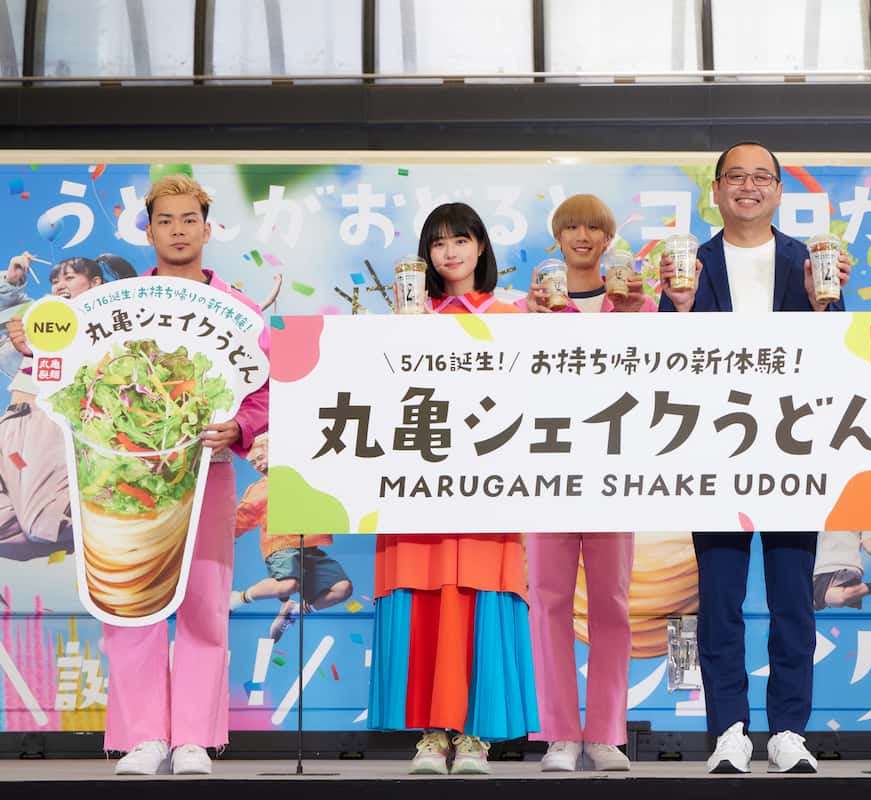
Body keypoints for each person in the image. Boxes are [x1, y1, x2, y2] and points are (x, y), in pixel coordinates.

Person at [658, 141, 850, 774]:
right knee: (720, 602)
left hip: (792, 451)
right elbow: (659, 362)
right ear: (715, 190)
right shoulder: (691, 264)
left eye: (761, 177)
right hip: (714, 450)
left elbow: (839, 357)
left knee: (794, 599)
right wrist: (677, 309)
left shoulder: (807, 261)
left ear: (778, 191)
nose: (748, 186)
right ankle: (729, 731)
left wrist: (826, 305)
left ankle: (789, 731)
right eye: (735, 177)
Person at [65, 175, 267, 776]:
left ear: (207, 228)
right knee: (131, 604)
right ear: (148, 231)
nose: (178, 231)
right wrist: (31, 337)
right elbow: (69, 361)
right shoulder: (118, 305)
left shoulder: (239, 309)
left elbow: (264, 390)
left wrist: (240, 427)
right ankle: (143, 737)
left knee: (205, 604)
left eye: (188, 219)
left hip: (207, 473)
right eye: (165, 220)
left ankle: (194, 739)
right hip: (127, 476)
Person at [369, 203, 539, 776]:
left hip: (487, 484)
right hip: (418, 485)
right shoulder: (406, 318)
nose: (450, 252)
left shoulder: (512, 317)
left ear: (481, 247)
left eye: (461, 240)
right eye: (438, 243)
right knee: (425, 599)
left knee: (479, 598)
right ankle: (429, 734)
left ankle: (474, 736)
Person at [519, 194, 651, 773]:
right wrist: (529, 324)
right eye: (570, 227)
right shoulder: (531, 307)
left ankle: (605, 733)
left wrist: (641, 316)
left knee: (612, 605)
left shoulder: (637, 305)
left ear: (607, 239)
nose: (582, 236)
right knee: (547, 603)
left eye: (593, 228)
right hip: (546, 469)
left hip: (615, 471)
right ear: (557, 238)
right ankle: (558, 735)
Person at [0, 257, 108, 561]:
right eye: (55, 280)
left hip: (44, 422)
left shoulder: (102, 324)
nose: (60, 285)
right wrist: (12, 281)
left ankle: (117, 514)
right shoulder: (41, 316)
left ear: (95, 284)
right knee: (29, 527)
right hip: (12, 424)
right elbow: (6, 315)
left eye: (70, 278)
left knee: (42, 522)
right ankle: (88, 522)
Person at [230, 434, 353, 641]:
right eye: (253, 462)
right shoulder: (260, 489)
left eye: (261, 457)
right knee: (288, 585)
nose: (258, 464)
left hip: (308, 546)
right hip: (281, 545)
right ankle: (238, 598)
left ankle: (294, 611)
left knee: (343, 588)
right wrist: (223, 537)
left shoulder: (302, 477)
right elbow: (243, 517)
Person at [813, 531, 871, 610]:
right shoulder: (823, 519)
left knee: (838, 599)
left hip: (846, 566)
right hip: (820, 569)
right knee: (817, 602)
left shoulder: (861, 520)